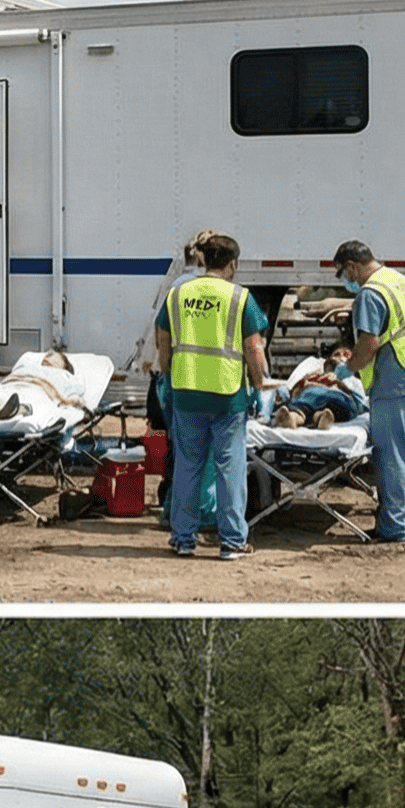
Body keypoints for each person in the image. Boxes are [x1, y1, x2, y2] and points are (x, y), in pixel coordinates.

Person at [153, 230, 271, 560]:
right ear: (233, 264)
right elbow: (254, 349)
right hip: (227, 396)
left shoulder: (178, 294)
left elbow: (163, 339)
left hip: (187, 392)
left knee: (188, 467)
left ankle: (183, 539)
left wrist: (168, 376)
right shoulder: (240, 298)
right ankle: (231, 542)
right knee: (229, 468)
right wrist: (258, 386)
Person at [331, 240, 405, 544]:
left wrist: (348, 369)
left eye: (343, 274)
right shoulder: (396, 279)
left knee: (393, 457)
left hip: (396, 379)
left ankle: (394, 528)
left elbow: (368, 344)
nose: (345, 280)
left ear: (352, 266)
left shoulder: (369, 294)